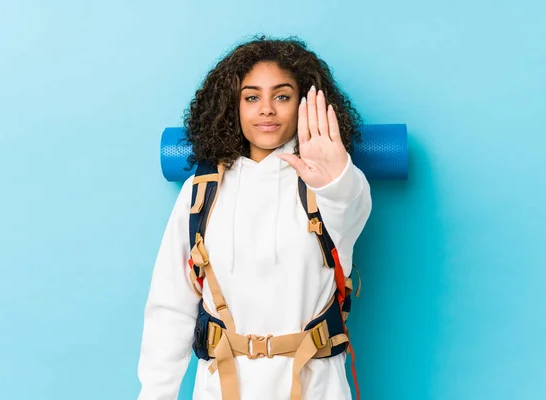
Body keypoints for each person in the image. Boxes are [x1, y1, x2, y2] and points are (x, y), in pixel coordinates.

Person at [137, 36, 372, 400]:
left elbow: (351, 205)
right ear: (233, 106)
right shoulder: (202, 191)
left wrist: (336, 178)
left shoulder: (328, 184)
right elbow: (170, 305)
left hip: (315, 387)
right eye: (252, 97)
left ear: (303, 104)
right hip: (220, 387)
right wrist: (154, 394)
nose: (267, 109)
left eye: (282, 96)